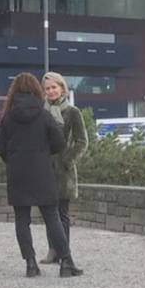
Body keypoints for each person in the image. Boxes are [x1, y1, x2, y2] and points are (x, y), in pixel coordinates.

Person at [0, 73, 83, 278]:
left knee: (22, 220)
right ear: (37, 90)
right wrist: (44, 154)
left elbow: (0, 148)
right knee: (52, 217)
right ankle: (66, 262)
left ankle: (31, 264)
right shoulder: (44, 115)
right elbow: (59, 143)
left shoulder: (8, 117)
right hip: (43, 172)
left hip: (18, 173)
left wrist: (14, 160)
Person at [39, 72, 89, 264]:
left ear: (62, 88)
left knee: (62, 213)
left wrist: (67, 160)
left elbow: (82, 141)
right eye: (47, 88)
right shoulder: (41, 112)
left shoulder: (72, 112)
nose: (51, 91)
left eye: (54, 87)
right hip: (44, 168)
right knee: (48, 212)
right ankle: (52, 249)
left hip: (64, 171)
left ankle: (63, 251)